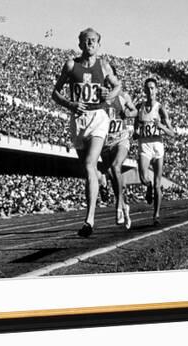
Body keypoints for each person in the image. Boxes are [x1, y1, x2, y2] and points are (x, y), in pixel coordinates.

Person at [52, 27, 121, 237]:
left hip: (98, 118)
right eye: (86, 40)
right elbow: (55, 93)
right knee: (87, 168)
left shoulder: (104, 65)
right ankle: (101, 178)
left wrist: (108, 94)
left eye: (94, 40)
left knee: (90, 163)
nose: (90, 43)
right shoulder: (72, 65)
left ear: (99, 45)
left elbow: (118, 86)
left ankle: (89, 220)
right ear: (80, 44)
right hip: (78, 121)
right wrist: (70, 104)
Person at [134, 77, 175, 226]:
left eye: (152, 88)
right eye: (148, 88)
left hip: (157, 145)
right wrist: (135, 133)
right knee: (143, 177)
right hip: (144, 144)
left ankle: (156, 215)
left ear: (156, 90)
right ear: (144, 90)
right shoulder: (139, 107)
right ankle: (148, 186)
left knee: (158, 183)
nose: (150, 91)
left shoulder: (161, 108)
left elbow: (172, 133)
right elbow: (135, 127)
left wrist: (162, 126)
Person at [100, 67, 138, 229]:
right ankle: (124, 206)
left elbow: (135, 111)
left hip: (121, 139)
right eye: (105, 78)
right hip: (106, 143)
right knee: (112, 175)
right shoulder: (99, 95)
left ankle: (118, 206)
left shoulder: (123, 96)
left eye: (110, 78)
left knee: (116, 167)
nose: (107, 81)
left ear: (115, 78)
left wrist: (128, 114)